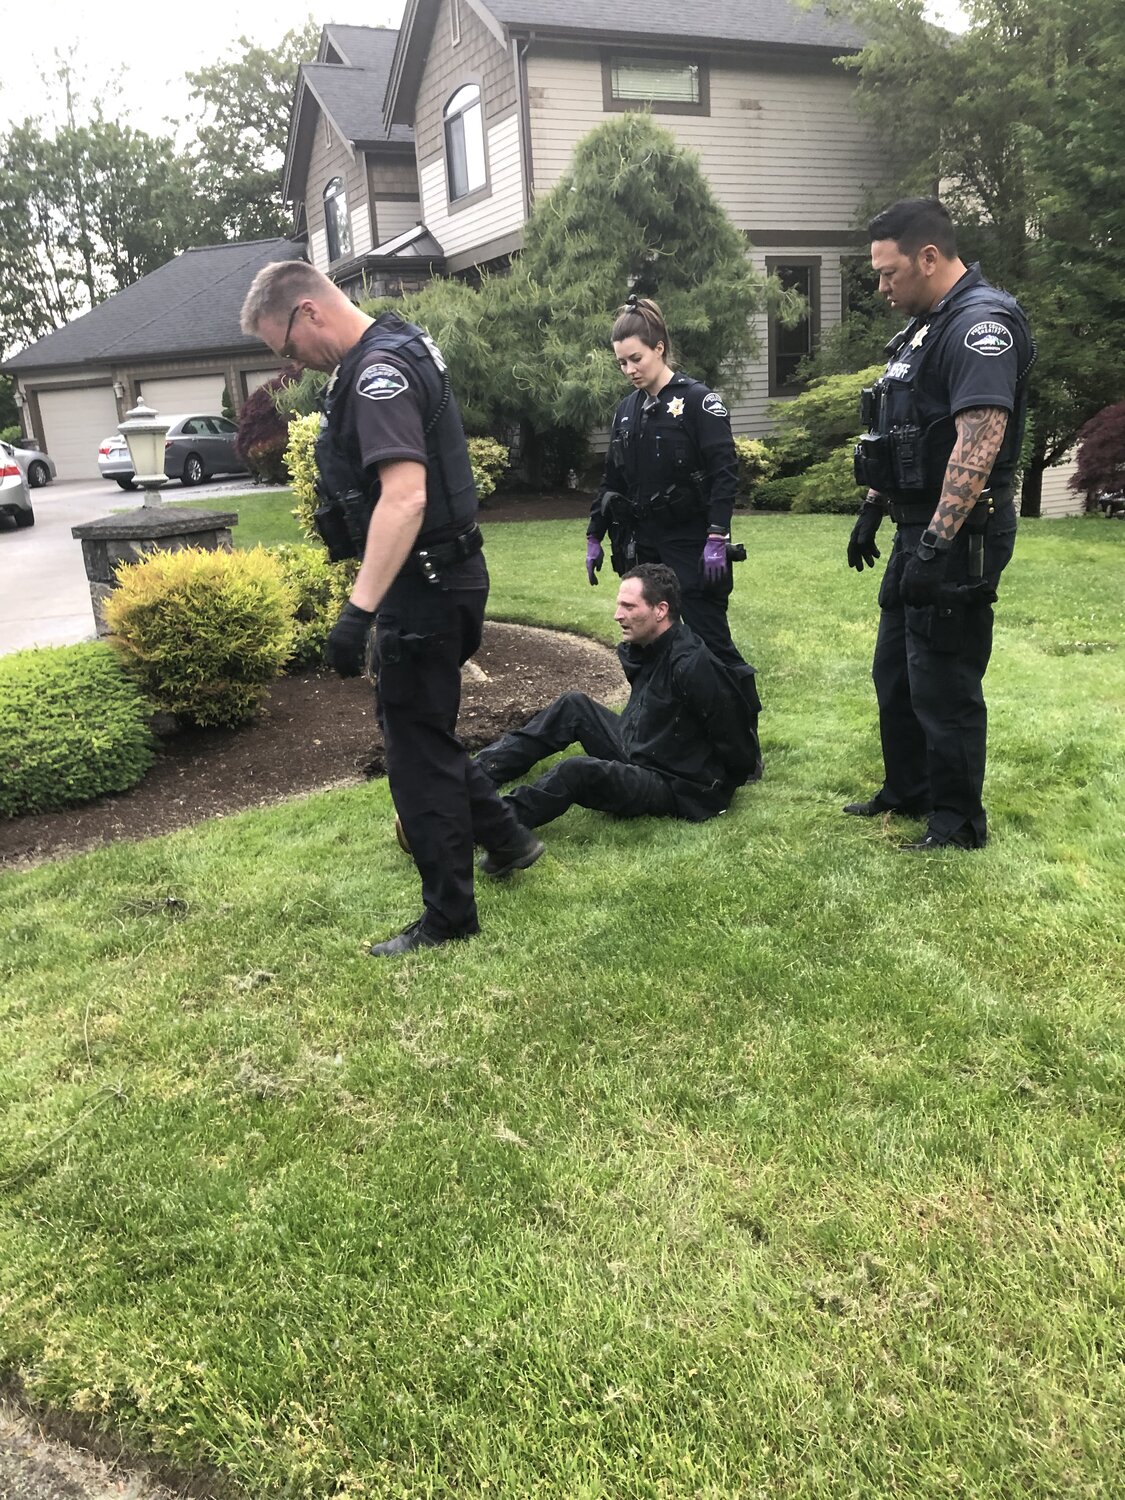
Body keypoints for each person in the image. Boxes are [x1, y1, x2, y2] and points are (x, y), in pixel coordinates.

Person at [240, 261, 543, 954]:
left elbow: (405, 497)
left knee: (414, 755)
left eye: (287, 347)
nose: (294, 364)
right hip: (446, 575)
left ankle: (449, 918)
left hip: (425, 584)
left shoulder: (379, 373)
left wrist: (357, 611)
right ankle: (507, 839)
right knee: (423, 730)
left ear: (308, 311)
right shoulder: (395, 345)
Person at [847, 197, 1035, 850]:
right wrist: (873, 508)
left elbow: (978, 442)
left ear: (928, 257)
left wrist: (934, 546)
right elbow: (903, 431)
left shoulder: (981, 326)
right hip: (914, 526)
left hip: (960, 532)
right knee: (896, 671)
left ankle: (956, 823)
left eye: (888, 272)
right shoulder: (926, 328)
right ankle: (909, 788)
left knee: (943, 677)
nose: (881, 287)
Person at [584, 296, 762, 760]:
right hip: (645, 547)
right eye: (621, 362)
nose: (629, 370)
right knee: (648, 643)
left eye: (636, 358)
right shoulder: (627, 411)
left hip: (693, 544)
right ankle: (658, 737)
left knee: (711, 645)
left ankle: (744, 744)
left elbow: (724, 473)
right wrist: (594, 534)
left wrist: (717, 536)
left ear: (659, 348)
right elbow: (612, 480)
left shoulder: (699, 402)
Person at [475, 564, 757, 835]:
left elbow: (737, 739)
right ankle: (477, 774)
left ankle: (487, 824)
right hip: (643, 750)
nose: (617, 615)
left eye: (629, 607)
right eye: (619, 605)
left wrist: (710, 789)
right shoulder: (647, 648)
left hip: (673, 784)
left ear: (660, 610)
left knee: (575, 771)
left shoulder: (691, 664)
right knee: (573, 705)